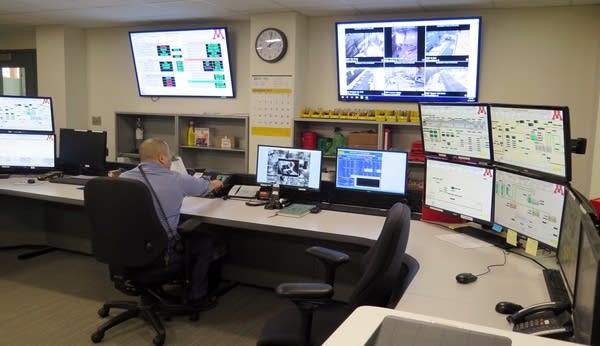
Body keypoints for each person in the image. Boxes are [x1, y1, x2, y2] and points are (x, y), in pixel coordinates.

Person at [119, 138, 224, 308]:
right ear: (161, 158)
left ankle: (151, 290)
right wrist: (217, 183)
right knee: (206, 242)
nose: (169, 161)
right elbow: (205, 187)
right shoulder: (176, 179)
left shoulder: (124, 178)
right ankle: (197, 296)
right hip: (162, 254)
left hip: (126, 249)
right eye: (169, 157)